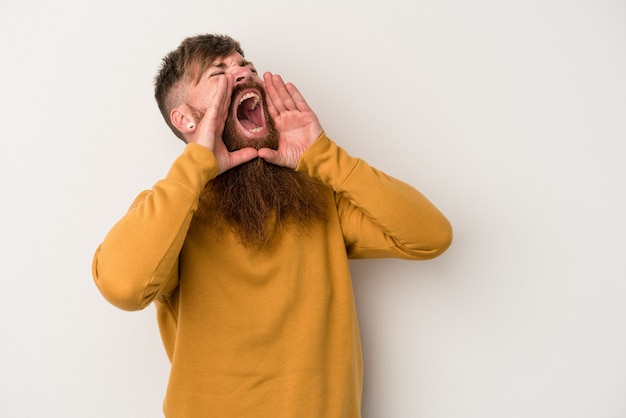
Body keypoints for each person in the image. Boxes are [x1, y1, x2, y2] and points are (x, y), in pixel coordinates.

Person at [92, 34, 452, 418]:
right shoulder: (170, 211)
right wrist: (197, 162)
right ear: (185, 118)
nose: (244, 75)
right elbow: (123, 287)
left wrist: (324, 157)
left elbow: (430, 237)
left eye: (245, 66)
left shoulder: (319, 196)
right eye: (219, 73)